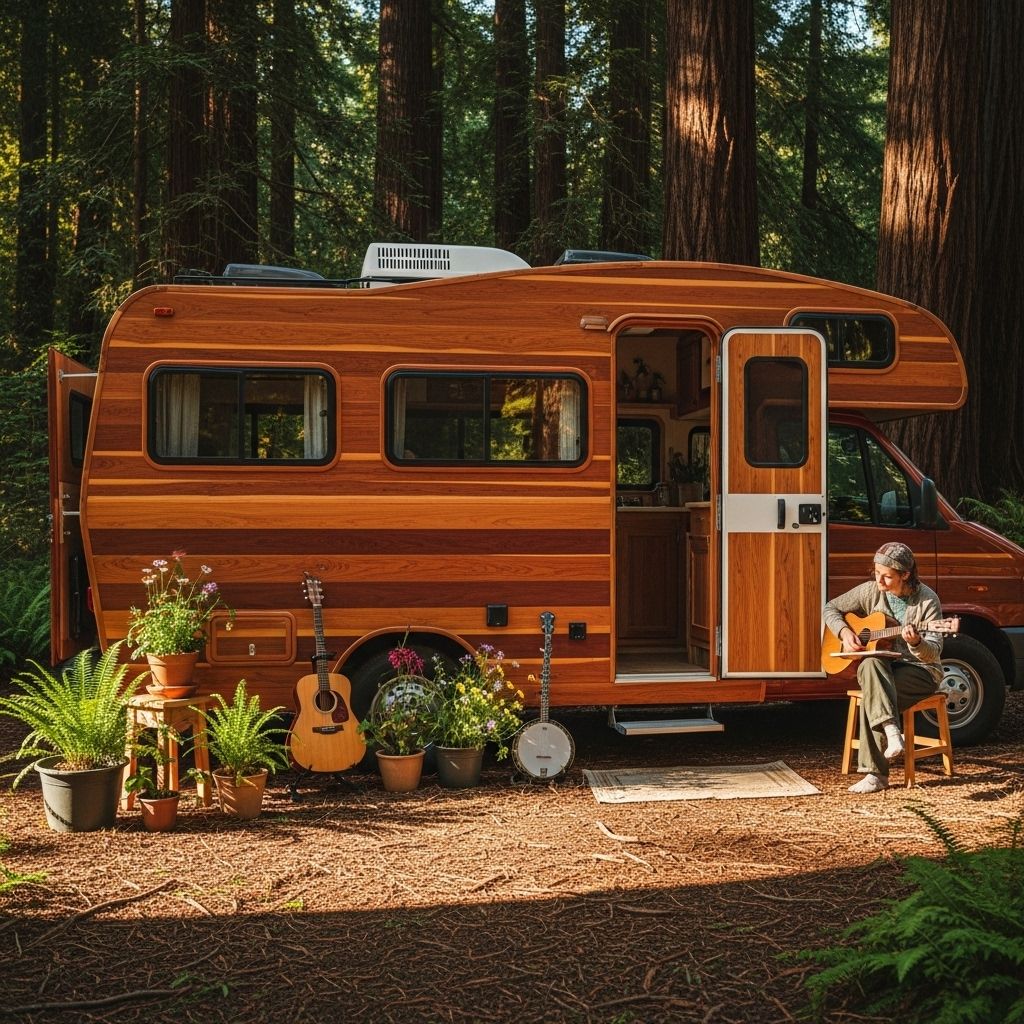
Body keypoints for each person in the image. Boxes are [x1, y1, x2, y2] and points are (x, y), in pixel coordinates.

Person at [822, 542, 944, 794]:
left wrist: (917, 642)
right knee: (870, 665)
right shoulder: (870, 591)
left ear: (905, 575)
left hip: (920, 671)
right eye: (876, 573)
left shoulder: (927, 600)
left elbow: (933, 652)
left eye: (887, 576)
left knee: (873, 693)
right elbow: (830, 608)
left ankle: (875, 774)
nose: (880, 580)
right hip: (884, 669)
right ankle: (891, 732)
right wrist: (844, 632)